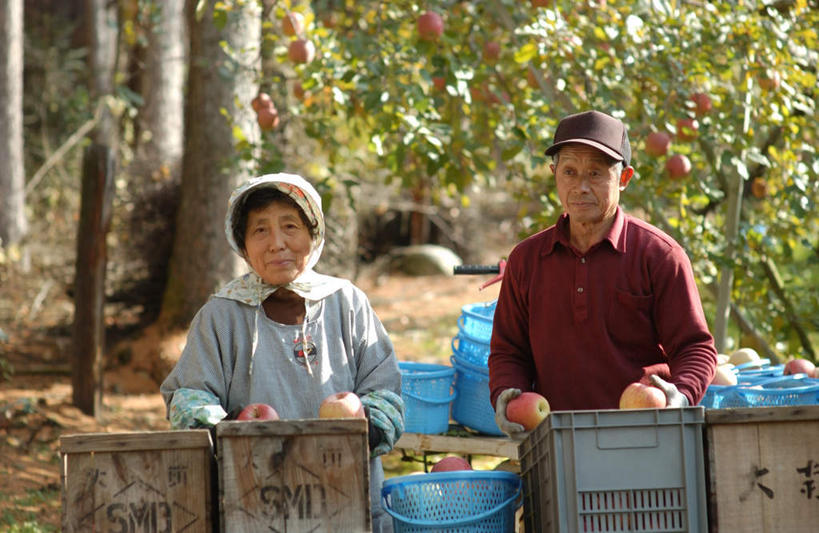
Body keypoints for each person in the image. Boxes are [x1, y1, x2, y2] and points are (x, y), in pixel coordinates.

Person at [160, 172, 404, 532]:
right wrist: (231, 428)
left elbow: (385, 391)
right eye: (260, 230)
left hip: (346, 497)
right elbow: (187, 398)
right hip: (254, 501)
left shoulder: (347, 303)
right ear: (243, 245)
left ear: (313, 234)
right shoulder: (222, 315)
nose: (277, 243)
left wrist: (363, 430)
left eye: (290, 226)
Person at [489, 110, 717, 437]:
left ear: (624, 179)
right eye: (569, 171)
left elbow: (695, 348)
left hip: (645, 435)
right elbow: (508, 351)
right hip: (555, 439)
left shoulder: (660, 256)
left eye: (595, 173)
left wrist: (679, 397)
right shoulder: (527, 260)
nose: (580, 186)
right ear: (554, 174)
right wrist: (506, 396)